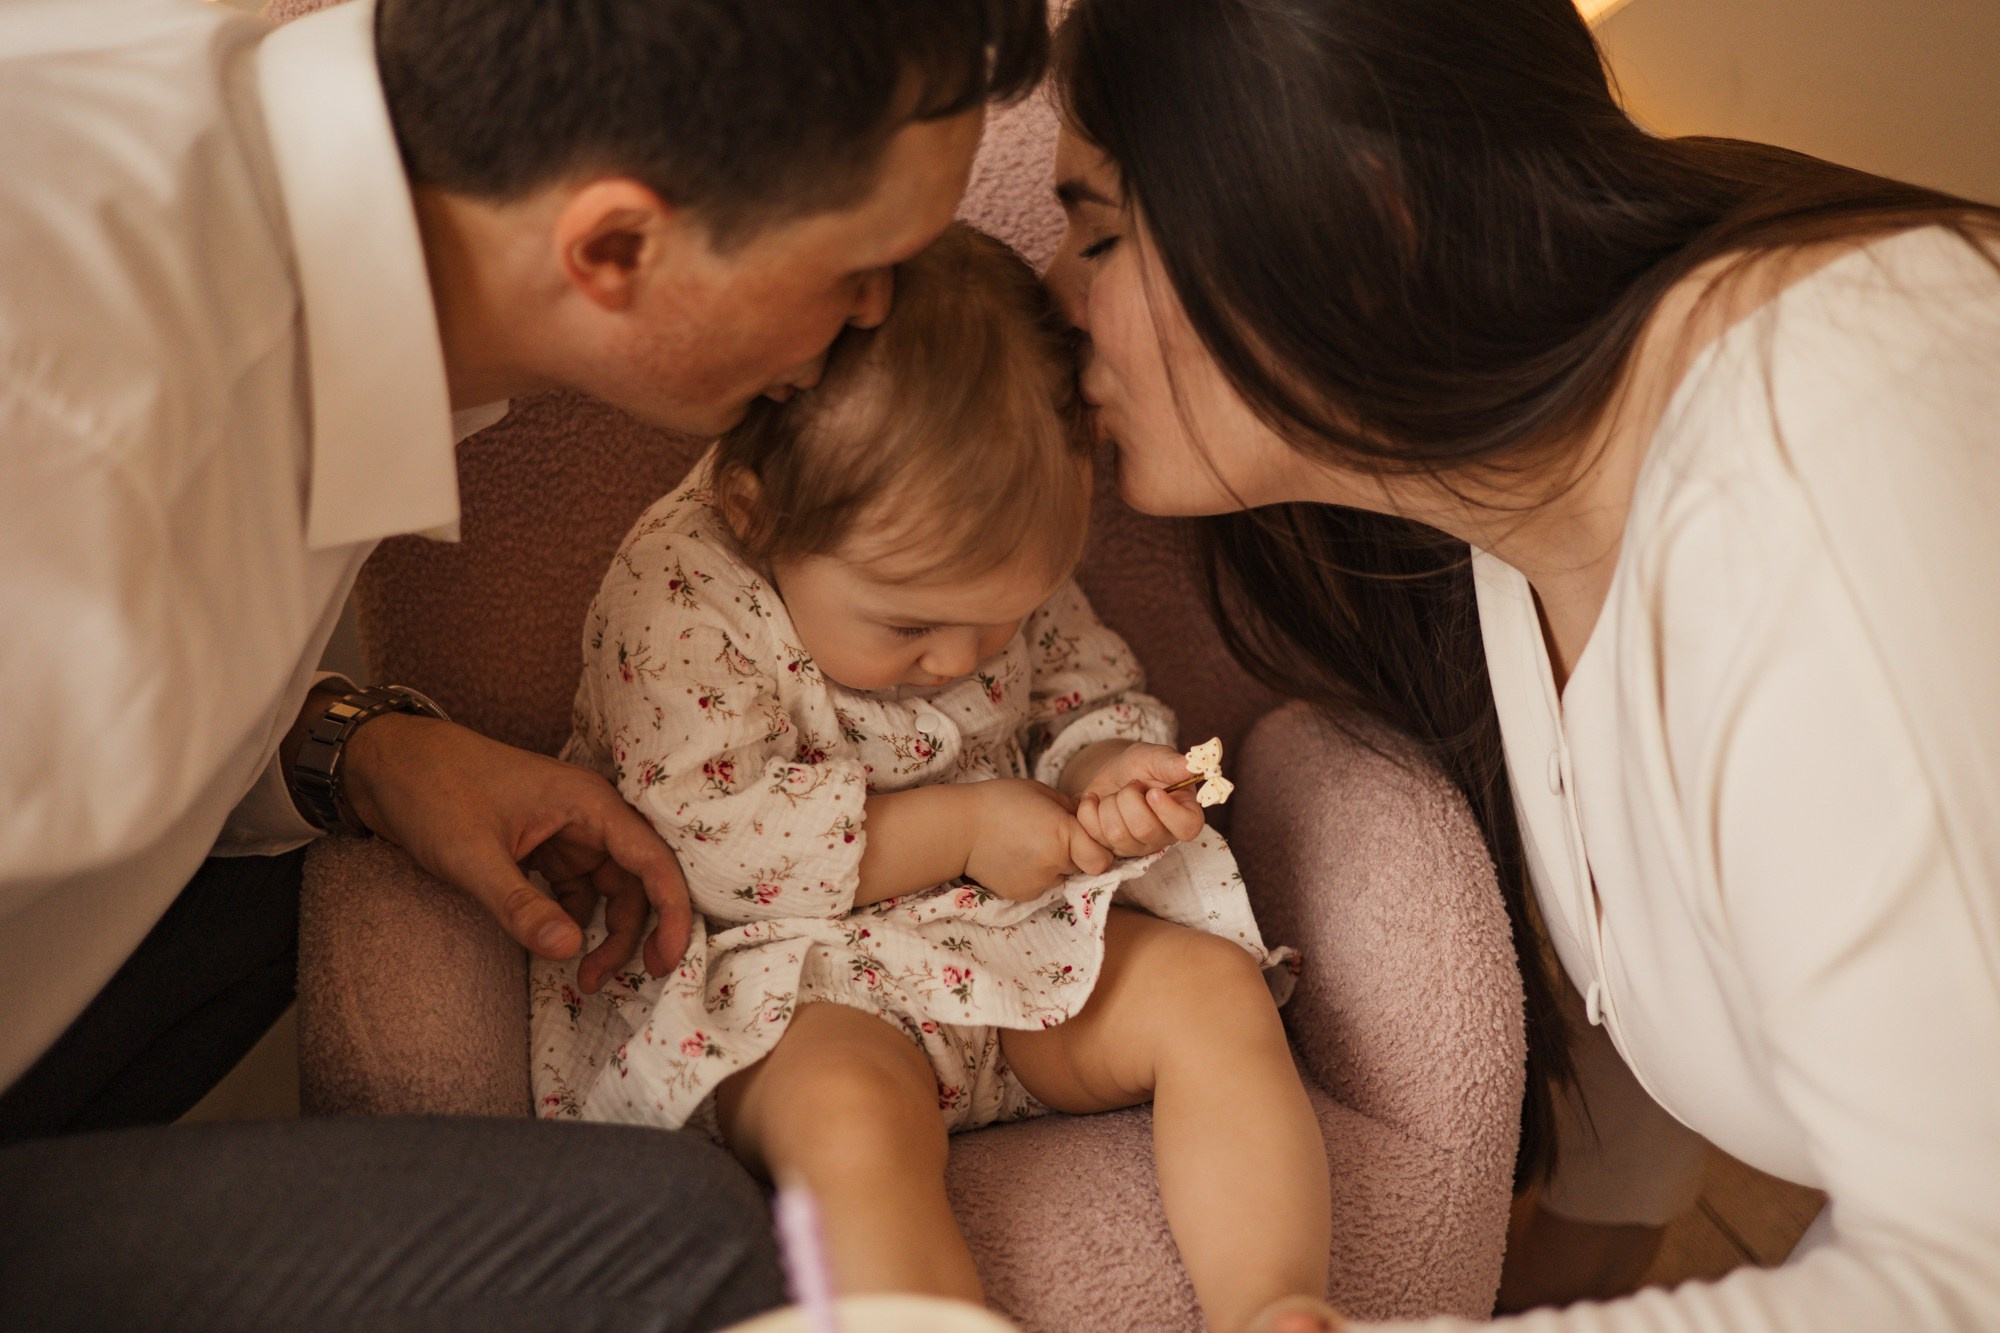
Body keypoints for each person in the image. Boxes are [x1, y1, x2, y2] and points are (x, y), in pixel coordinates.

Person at [0, 0, 1047, 1326]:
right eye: (860, 267)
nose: (880, 316)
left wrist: (358, 753)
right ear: (614, 244)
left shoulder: (282, 165)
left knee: (293, 893)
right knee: (675, 1245)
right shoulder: (82, 421)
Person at [1042, 1, 2000, 1331]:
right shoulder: (1511, 509)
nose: (1051, 292)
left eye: (1096, 231)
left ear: (1358, 226)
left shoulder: (1821, 469)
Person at [531, 223, 1330, 1333]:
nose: (961, 658)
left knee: (1212, 994)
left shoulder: (982, 552)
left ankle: (1275, 1302)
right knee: (849, 1119)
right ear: (758, 514)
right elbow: (711, 842)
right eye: (911, 623)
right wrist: (959, 829)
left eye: (1000, 613)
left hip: (1007, 944)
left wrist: (1107, 771)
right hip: (781, 979)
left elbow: (1080, 689)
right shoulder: (679, 593)